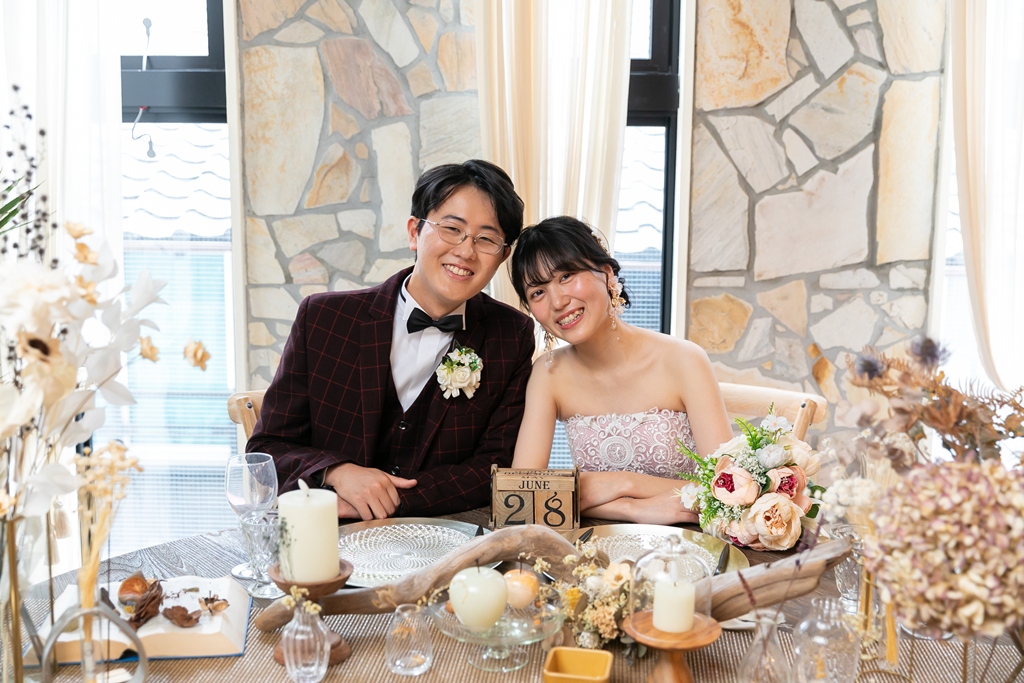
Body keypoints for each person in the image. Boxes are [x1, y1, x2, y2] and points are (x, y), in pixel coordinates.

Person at [249, 160, 535, 520]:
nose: (466, 251)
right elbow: (267, 448)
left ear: (503, 256)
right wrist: (338, 473)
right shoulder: (324, 319)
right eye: (452, 229)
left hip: (442, 539)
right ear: (414, 232)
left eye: (486, 239)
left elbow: (495, 467)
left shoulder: (512, 334)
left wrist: (394, 501)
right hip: (327, 539)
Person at [510, 216, 733, 525]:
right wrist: (631, 508)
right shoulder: (548, 374)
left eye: (566, 276)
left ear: (606, 274)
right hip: (596, 548)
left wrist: (621, 483)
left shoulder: (684, 361)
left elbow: (728, 490)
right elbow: (522, 497)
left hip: (688, 543)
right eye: (538, 292)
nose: (558, 301)